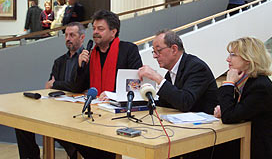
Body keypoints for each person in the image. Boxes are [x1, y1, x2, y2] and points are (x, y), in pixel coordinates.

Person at [72, 9, 143, 158]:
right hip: (94, 112)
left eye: (100, 29)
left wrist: (111, 95)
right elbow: (78, 87)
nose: (95, 32)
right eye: (94, 28)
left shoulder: (129, 50)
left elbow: (134, 86)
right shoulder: (90, 52)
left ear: (113, 32)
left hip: (117, 114)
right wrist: (80, 67)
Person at [15, 22, 86, 159]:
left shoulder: (86, 59)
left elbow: (77, 87)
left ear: (82, 37)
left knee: (59, 129)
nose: (68, 38)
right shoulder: (59, 61)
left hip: (75, 109)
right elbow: (49, 86)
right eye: (66, 35)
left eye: (72, 35)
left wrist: (58, 84)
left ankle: (74, 151)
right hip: (56, 107)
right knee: (21, 123)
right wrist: (61, 85)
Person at [214, 37, 272, 159]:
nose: (228, 59)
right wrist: (226, 109)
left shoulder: (260, 87)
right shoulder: (248, 81)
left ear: (248, 59)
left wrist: (229, 83)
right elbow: (235, 112)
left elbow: (229, 117)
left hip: (265, 151)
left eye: (233, 55)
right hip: (250, 141)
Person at [138, 29, 218, 114]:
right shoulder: (170, 73)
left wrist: (158, 78)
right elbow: (166, 103)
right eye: (153, 52)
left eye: (158, 51)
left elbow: (185, 102)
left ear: (174, 49)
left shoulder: (196, 67)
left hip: (208, 124)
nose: (154, 56)